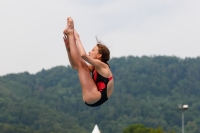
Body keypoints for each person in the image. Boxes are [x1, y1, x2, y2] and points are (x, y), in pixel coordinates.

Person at [63, 17, 114, 107]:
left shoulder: (103, 66)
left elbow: (83, 55)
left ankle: (70, 32)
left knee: (81, 64)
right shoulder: (95, 67)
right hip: (94, 97)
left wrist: (77, 39)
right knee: (81, 65)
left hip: (95, 96)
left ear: (99, 56)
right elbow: (75, 66)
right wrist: (68, 49)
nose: (90, 51)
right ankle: (70, 32)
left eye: (93, 50)